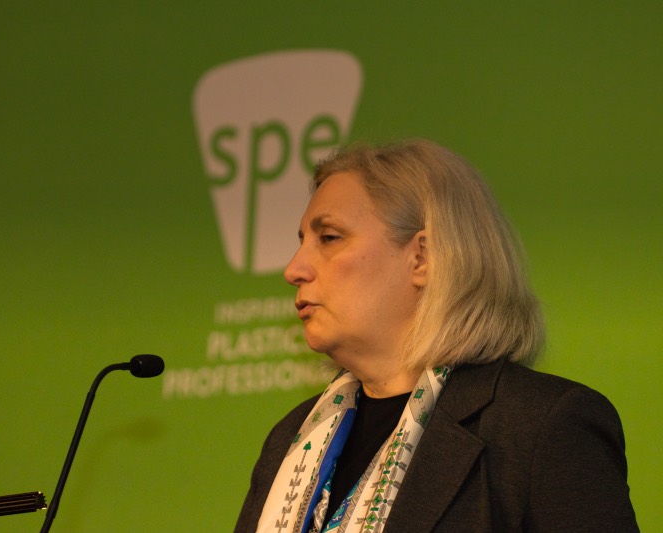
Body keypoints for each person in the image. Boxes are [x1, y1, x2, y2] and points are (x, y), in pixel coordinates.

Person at [234, 139, 638, 532]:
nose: (294, 269)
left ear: (423, 258)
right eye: (302, 242)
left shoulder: (539, 427)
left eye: (329, 237)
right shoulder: (292, 440)